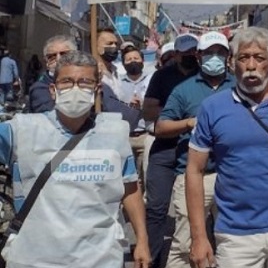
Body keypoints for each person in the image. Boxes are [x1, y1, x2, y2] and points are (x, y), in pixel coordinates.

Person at [0, 50, 150, 267]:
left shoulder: (114, 132)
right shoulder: (22, 130)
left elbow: (130, 189)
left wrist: (142, 241)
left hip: (99, 258)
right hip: (35, 258)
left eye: (85, 82)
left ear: (97, 90)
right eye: (67, 82)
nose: (75, 88)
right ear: (53, 90)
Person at [187, 27, 268, 268]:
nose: (250, 65)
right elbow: (194, 170)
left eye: (259, 58)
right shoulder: (212, 107)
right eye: (243, 58)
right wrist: (198, 237)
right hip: (235, 234)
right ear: (232, 63)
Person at [157, 31, 235, 268]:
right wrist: (189, 122)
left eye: (220, 53)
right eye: (210, 52)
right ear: (199, 56)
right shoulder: (184, 89)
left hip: (232, 175)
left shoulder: (239, 86)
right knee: (186, 243)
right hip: (194, 176)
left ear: (228, 56)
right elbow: (161, 126)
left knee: (231, 242)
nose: (215, 57)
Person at [142, 33, 199, 268]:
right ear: (175, 54)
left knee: (198, 209)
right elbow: (149, 112)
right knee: (156, 208)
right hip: (165, 147)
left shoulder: (205, 77)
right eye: (184, 53)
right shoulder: (161, 76)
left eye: (193, 52)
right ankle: (151, 259)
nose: (189, 56)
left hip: (196, 148)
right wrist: (179, 116)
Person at [120, 43, 154, 186]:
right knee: (126, 178)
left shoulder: (152, 80)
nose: (133, 61)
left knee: (146, 175)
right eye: (129, 59)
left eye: (136, 58)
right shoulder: (117, 83)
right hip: (124, 136)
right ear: (123, 63)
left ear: (142, 60)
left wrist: (144, 105)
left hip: (145, 135)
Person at [28, 34, 78, 113]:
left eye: (65, 54)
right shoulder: (40, 88)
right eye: (52, 56)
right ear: (46, 62)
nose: (58, 59)